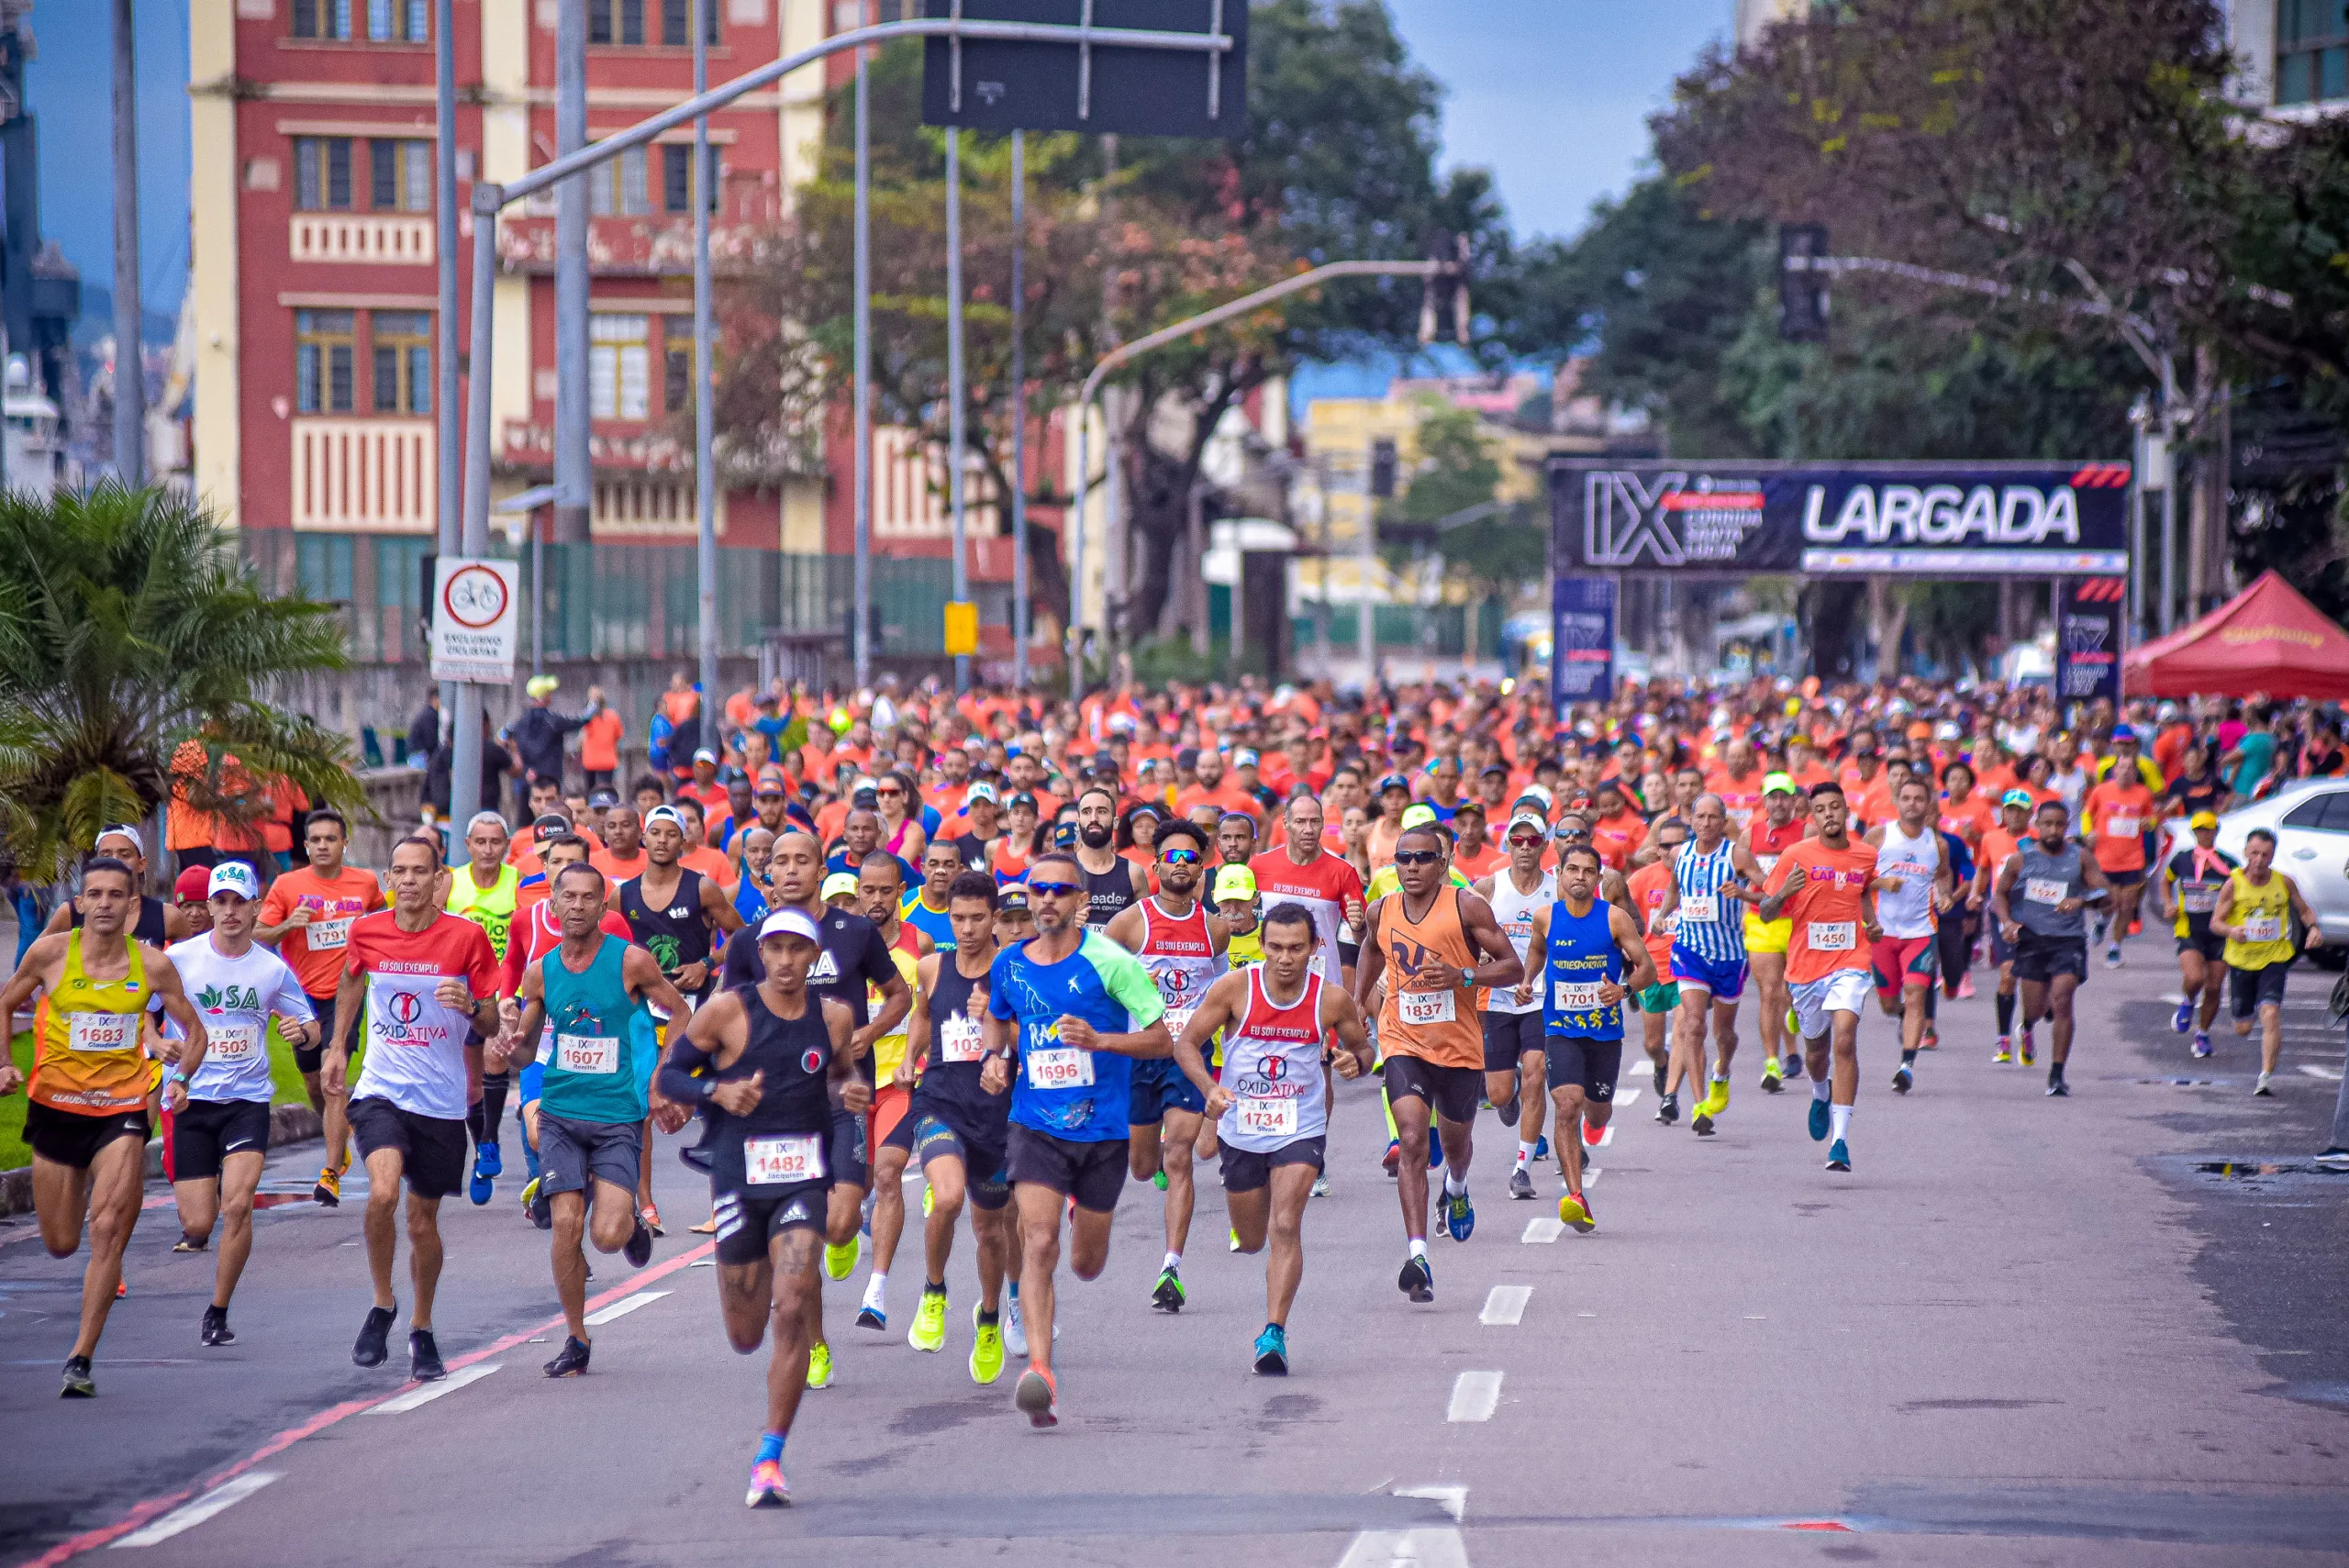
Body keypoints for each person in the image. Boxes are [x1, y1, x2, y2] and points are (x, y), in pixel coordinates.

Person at [661, 909, 863, 1507]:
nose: (783, 959)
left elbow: (840, 1079)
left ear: (812, 956)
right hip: (737, 1176)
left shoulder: (834, 1016)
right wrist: (715, 1090)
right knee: (747, 1334)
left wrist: (848, 1091)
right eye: (773, 947)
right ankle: (748, 1290)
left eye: (796, 949)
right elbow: (671, 1076)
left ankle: (770, 1456)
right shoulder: (727, 1011)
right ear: (760, 951)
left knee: (795, 1299)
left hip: (803, 1176)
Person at [974, 851, 1174, 1427]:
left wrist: (1101, 1042)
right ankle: (1041, 1371)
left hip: (1104, 1130)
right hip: (1035, 1122)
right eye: (1038, 891)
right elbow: (996, 1015)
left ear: (1081, 902)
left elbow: (1162, 1039)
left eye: (1059, 892)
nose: (1046, 901)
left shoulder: (1111, 962)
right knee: (1036, 1241)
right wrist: (995, 1054)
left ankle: (1076, 1221)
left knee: (1085, 1262)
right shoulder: (1009, 963)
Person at [0, 856, 205, 1396]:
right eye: (97, 895)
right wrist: (4, 1062)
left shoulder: (153, 967)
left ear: (134, 904)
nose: (107, 904)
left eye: (118, 895)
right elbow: (6, 1003)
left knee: (108, 1226)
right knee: (63, 1243)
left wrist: (180, 1075)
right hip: (56, 1105)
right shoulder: (50, 954)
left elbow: (196, 1031)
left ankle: (80, 1358)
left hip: (121, 1107)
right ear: (81, 903)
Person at [721, 828, 910, 1391]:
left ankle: (846, 1236)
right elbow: (727, 1013)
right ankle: (816, 1342)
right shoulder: (750, 940)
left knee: (839, 1221)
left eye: (803, 860)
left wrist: (869, 1034)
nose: (792, 870)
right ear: (767, 872)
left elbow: (899, 994)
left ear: (821, 868)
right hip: (777, 1113)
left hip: (843, 1095)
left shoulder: (854, 932)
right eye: (781, 861)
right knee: (798, 1243)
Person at [325, 834, 502, 1381]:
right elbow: (353, 976)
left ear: (438, 878)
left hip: (442, 1101)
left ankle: (421, 1326)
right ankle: (382, 1304)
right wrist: (337, 1043)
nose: (407, 881)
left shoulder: (466, 938)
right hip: (382, 1088)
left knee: (422, 1223)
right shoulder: (367, 929)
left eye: (418, 872)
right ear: (388, 879)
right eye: (398, 871)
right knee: (381, 1192)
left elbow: (492, 1022)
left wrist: (471, 1007)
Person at [1168, 903, 1373, 1374]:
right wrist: (1209, 1089)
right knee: (1254, 1237)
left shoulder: (1330, 999)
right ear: (1262, 946)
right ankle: (1263, 1274)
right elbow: (1185, 1042)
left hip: (1300, 1125)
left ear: (1314, 947)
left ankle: (1274, 1332)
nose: (1285, 957)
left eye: (1296, 948)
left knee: (1286, 1222)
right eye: (1276, 947)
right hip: (1241, 1128)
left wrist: (1354, 1062)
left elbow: (1364, 1047)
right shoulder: (1235, 989)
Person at [509, 862, 688, 1376]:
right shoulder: (541, 971)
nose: (579, 907)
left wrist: (658, 1079)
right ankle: (576, 1338)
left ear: (603, 906)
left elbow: (680, 1012)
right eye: (570, 897)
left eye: (590, 898)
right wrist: (511, 1047)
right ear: (554, 903)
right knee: (566, 1224)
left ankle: (627, 1223)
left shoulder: (630, 961)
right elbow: (525, 1050)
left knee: (606, 1236)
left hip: (616, 1117)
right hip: (562, 1111)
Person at [1353, 823, 1523, 1300]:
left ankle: (1459, 1186)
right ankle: (1418, 1253)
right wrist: (1355, 1002)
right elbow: (1370, 949)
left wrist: (1463, 975)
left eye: (1423, 858)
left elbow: (1513, 967)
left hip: (1459, 1048)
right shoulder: (1380, 909)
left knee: (1455, 1145)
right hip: (1402, 1039)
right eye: (1403, 858)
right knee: (1410, 1138)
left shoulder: (1466, 905)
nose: (1411, 866)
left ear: (1442, 862)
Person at [164, 862, 318, 1347]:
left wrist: (302, 1032)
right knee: (197, 1222)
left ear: (255, 907)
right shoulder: (180, 959)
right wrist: (155, 1043)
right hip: (191, 1099)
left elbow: (310, 1024)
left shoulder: (271, 967)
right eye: (220, 902)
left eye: (239, 902)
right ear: (208, 907)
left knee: (237, 1205)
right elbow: (142, 1013)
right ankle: (205, 1202)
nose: (229, 912)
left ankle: (218, 1309)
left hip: (247, 1101)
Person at [878, 872, 1017, 1377]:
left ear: (995, 918)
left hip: (996, 1115)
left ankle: (988, 1316)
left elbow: (1032, 1038)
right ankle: (934, 1290)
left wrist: (995, 1022)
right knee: (949, 1196)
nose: (967, 928)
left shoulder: (1011, 971)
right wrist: (909, 1057)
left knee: (991, 1229)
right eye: (958, 918)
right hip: (940, 1102)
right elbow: (921, 1014)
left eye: (978, 918)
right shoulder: (933, 967)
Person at [1102, 820, 1227, 1313]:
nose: (1180, 866)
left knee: (1180, 1156)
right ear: (1155, 867)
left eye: (1190, 859)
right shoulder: (1130, 923)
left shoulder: (1214, 928)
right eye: (1171, 858)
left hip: (1188, 1057)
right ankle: (1145, 1154)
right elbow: (1100, 989)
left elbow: (1224, 996)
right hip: (1139, 1055)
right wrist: (1133, 984)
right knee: (1140, 1166)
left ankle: (1170, 1266)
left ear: (1201, 869)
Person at [1520, 844, 1655, 1230]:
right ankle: (1576, 1196)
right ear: (1560, 876)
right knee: (1566, 1104)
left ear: (1599, 879)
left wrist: (1624, 991)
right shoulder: (1545, 917)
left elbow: (1647, 968)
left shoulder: (1614, 919)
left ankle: (1594, 1126)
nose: (1580, 877)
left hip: (1604, 1032)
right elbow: (1536, 950)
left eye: (1588, 871)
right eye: (1572, 870)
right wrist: (1528, 981)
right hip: (1560, 1027)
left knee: (1597, 1110)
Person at [257, 808, 385, 1206]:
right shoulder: (287, 884)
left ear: (344, 843)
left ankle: (329, 1174)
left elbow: (384, 920)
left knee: (333, 1076)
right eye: (316, 840)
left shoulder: (364, 882)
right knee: (314, 1081)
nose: (324, 846)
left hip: (348, 992)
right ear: (307, 845)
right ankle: (339, 1134)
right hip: (302, 996)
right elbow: (258, 935)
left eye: (332, 839)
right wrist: (288, 926)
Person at [1756, 784, 1880, 1173]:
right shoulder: (1795, 856)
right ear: (1812, 816)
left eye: (1836, 807)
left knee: (1845, 1035)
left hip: (1851, 960)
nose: (1829, 815)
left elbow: (1863, 891)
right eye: (1821, 809)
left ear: (1847, 811)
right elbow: (1765, 912)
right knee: (1816, 1051)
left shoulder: (1867, 855)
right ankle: (1819, 1092)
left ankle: (1840, 1140)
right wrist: (1783, 895)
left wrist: (1872, 925)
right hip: (1806, 967)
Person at [1654, 795, 1765, 1135]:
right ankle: (1700, 1104)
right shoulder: (1679, 854)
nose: (1704, 823)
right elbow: (1675, 890)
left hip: (1729, 954)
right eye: (1699, 817)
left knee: (1723, 1033)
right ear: (1692, 821)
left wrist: (1744, 894)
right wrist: (1663, 914)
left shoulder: (1736, 854)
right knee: (1693, 1024)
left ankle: (1723, 1070)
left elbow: (1768, 890)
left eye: (1712, 817)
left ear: (1723, 820)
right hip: (1689, 950)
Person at [850, 852, 928, 1332]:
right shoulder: (839, 944)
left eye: (886, 891)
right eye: (868, 890)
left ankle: (876, 1289)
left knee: (887, 1175)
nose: (876, 900)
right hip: (849, 1084)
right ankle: (846, 1230)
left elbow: (930, 1010)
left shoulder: (922, 946)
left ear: (901, 892)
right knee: (853, 1186)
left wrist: (915, 1062)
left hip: (899, 1081)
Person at [1989, 800, 2111, 1098]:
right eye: (2047, 824)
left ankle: (2057, 1074)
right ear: (2037, 824)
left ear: (2067, 825)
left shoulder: (2080, 857)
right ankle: (2027, 1025)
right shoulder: (2021, 859)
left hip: (2067, 941)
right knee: (2034, 1007)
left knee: (2061, 999)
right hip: (2031, 939)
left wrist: (2081, 901)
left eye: (2059, 824)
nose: (2053, 830)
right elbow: (1999, 895)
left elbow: (2105, 894)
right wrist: (2007, 923)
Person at [1474, 811, 1553, 1199]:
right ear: (1507, 845)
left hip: (1542, 997)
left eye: (1533, 841)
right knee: (1499, 1094)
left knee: (1538, 1072)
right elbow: (1465, 934)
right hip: (1498, 999)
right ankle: (1511, 1088)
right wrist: (1480, 961)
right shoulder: (1489, 887)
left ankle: (1522, 1168)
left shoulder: (1558, 889)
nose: (1524, 848)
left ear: (1545, 845)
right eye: (1517, 841)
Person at [2210, 828, 2325, 1097]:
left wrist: (2314, 929)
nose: (2260, 860)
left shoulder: (2284, 882)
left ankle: (2265, 1077)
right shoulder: (2233, 884)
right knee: (2243, 1028)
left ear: (2273, 856)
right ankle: (2242, 1016)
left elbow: (2305, 910)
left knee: (2271, 1013)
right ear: (2245, 854)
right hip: (2241, 960)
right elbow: (2216, 922)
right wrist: (2231, 931)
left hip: (2274, 958)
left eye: (2266, 854)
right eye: (2254, 854)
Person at [444, 810, 522, 1204]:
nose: (488, 850)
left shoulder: (517, 882)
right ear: (468, 845)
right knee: (467, 1085)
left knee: (494, 1056)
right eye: (481, 842)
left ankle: (490, 1139)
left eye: (496, 842)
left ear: (506, 847)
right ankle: (481, 1152)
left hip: (505, 988)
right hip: (460, 990)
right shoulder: (451, 882)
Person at [1865, 776, 1954, 1096]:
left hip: (1921, 932)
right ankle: (1904, 1017)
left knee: (1916, 994)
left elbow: (1943, 877)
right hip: (1882, 933)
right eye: (1907, 798)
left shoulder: (1937, 844)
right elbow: (1856, 877)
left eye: (1919, 799)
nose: (1913, 804)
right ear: (1897, 801)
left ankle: (1906, 1066)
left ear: (1929, 804)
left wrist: (1945, 896)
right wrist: (1881, 884)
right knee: (1889, 1004)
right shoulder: (1879, 836)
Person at [1742, 775, 1809, 1092]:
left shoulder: (1807, 831)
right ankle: (1772, 1062)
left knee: (1793, 991)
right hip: (1762, 919)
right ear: (1764, 800)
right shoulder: (1750, 834)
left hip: (1799, 920)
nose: (1779, 803)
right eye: (1773, 797)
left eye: (1785, 797)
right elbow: (1743, 875)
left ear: (1795, 800)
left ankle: (1796, 1015)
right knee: (1770, 992)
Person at [2154, 811, 2237, 1059]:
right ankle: (2188, 1001)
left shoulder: (2229, 864)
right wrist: (2169, 904)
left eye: (2208, 829)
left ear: (2216, 831)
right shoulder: (2182, 860)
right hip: (2189, 928)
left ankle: (2202, 1034)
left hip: (2219, 932)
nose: (2204, 833)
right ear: (2193, 833)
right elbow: (2164, 881)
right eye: (2200, 829)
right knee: (2194, 978)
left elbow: (2241, 891)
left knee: (2213, 987)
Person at [2081, 728, 2157, 967]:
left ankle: (2115, 947)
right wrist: (2088, 833)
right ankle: (2102, 922)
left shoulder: (2143, 794)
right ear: (2114, 771)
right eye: (2121, 768)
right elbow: (2086, 815)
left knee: (2127, 905)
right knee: (2111, 902)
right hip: (2105, 858)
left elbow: (2153, 818)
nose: (2125, 772)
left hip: (2133, 859)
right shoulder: (2101, 791)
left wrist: (2149, 823)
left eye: (2130, 769)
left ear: (2136, 773)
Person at [1626, 817, 1687, 1103]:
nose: (1672, 850)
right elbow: (1626, 924)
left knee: (1684, 1033)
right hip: (1652, 969)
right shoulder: (1641, 879)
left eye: (1680, 843)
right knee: (1653, 1044)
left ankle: (1671, 1096)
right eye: (1666, 845)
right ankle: (1661, 1064)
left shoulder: (1699, 875)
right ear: (1657, 848)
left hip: (1688, 968)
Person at [1973, 790, 2034, 1062]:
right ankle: (2003, 1039)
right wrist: (1976, 892)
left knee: (2035, 981)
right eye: (2010, 809)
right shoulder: (1991, 838)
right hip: (2003, 911)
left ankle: (2028, 1027)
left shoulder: (2038, 840)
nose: (2014, 815)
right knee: (2008, 975)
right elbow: (1984, 868)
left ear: (2030, 814)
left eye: (2020, 810)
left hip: (2035, 914)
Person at [1072, 786, 1149, 931]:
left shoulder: (1134, 873)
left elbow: (1142, 931)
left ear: (1115, 822)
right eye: (1087, 812)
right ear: (1078, 822)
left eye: (1102, 811)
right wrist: (1067, 924)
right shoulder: (1062, 869)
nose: (1094, 818)